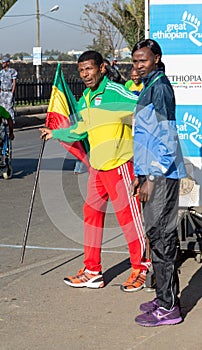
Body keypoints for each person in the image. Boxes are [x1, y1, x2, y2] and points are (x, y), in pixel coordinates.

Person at [40, 50, 150, 292]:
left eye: (89, 69)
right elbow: (80, 128)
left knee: (129, 220)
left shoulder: (115, 91)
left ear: (101, 68)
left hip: (120, 165)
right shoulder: (87, 97)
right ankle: (92, 271)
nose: (85, 74)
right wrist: (55, 133)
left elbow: (144, 107)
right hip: (98, 169)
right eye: (81, 71)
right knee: (91, 215)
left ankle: (141, 267)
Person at [130, 39, 187, 326]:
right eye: (135, 61)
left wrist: (151, 177)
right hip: (152, 173)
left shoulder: (161, 88)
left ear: (156, 59)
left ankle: (168, 308)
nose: (137, 66)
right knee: (157, 237)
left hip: (162, 175)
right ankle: (166, 296)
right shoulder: (149, 86)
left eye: (143, 60)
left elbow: (166, 137)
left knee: (163, 239)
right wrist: (140, 176)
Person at [0, 57, 17, 122]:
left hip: (9, 91)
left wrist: (12, 92)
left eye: (4, 62)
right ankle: (4, 121)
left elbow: (14, 82)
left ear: (8, 63)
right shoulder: (1, 72)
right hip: (3, 92)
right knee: (2, 107)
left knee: (9, 107)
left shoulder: (12, 71)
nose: (2, 64)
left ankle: (10, 122)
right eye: (2, 62)